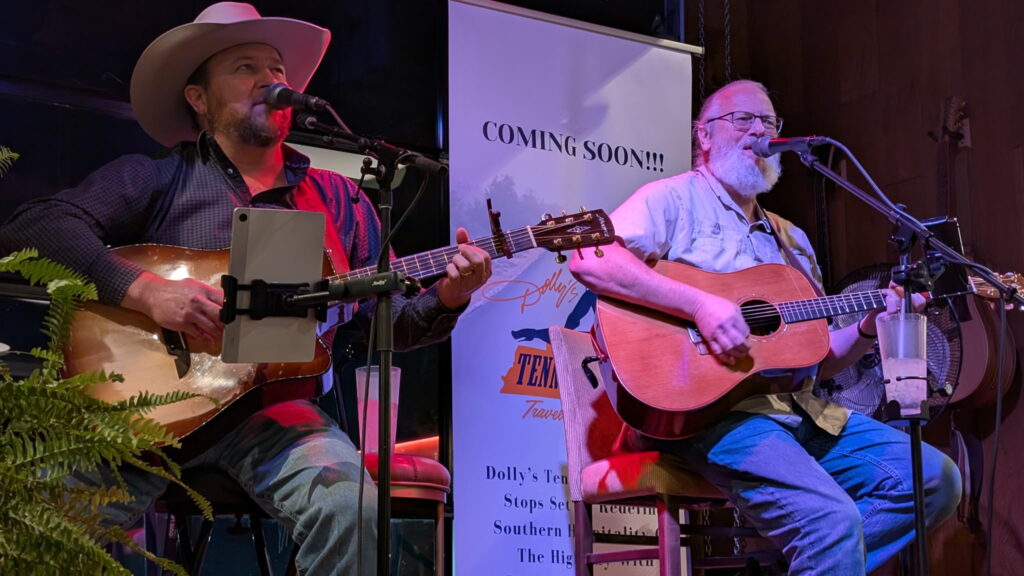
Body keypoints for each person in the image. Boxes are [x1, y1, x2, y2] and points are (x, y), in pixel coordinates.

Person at [0, 3, 491, 575]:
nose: (270, 80)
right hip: (143, 413)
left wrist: (449, 296)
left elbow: (384, 320)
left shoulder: (341, 200)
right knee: (34, 510)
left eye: (278, 70)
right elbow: (35, 226)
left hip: (273, 416)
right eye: (245, 67)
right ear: (199, 99)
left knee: (351, 507)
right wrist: (147, 292)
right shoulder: (158, 176)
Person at [568, 79, 961, 575]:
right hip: (707, 416)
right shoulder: (672, 199)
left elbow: (812, 354)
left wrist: (866, 326)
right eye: (743, 119)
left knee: (933, 478)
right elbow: (591, 259)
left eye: (770, 122)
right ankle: (822, 550)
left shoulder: (791, 241)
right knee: (830, 521)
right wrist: (701, 306)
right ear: (703, 136)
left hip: (800, 413)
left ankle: (817, 558)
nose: (760, 130)